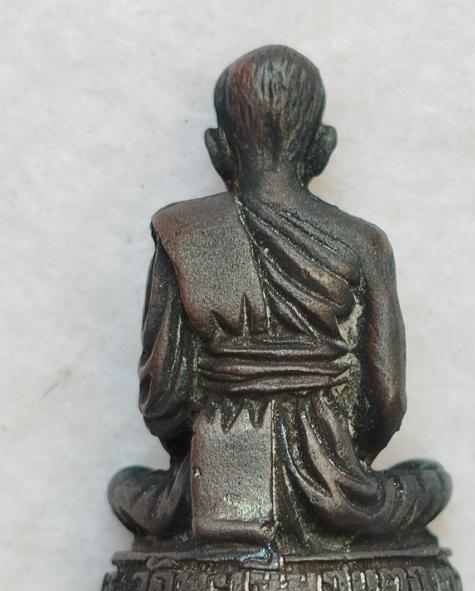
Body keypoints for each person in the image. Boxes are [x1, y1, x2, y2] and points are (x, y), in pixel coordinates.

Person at [108, 45, 451, 554]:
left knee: (126, 488)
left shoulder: (185, 232)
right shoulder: (364, 242)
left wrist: (199, 452)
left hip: (211, 480)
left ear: (217, 149)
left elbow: (163, 400)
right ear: (323, 147)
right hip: (338, 485)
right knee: (430, 480)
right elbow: (386, 400)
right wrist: (345, 458)